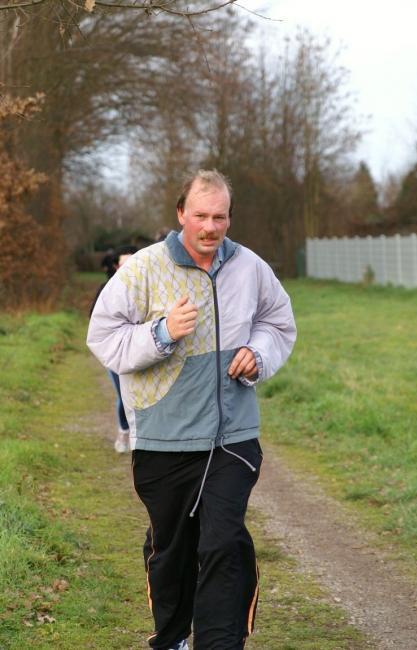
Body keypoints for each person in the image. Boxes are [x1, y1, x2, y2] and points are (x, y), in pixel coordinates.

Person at [87, 170, 297, 650]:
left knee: (222, 542)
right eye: (200, 215)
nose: (210, 226)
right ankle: (174, 636)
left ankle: (219, 643)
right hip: (163, 437)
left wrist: (259, 355)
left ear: (229, 217)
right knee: (172, 551)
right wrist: (160, 334)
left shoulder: (249, 267)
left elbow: (278, 321)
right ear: (181, 213)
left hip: (232, 436)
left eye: (219, 216)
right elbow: (102, 336)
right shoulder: (143, 268)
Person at [90, 245, 138, 453]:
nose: (127, 268)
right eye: (123, 264)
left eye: (132, 263)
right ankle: (123, 432)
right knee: (123, 395)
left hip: (144, 353)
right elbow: (95, 323)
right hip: (116, 353)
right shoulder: (106, 289)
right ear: (117, 267)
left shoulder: (149, 289)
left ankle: (142, 440)